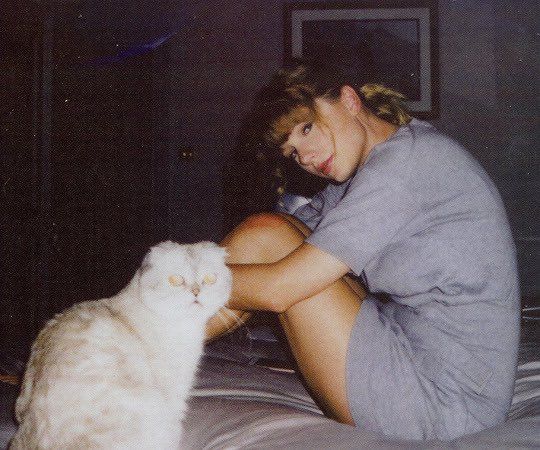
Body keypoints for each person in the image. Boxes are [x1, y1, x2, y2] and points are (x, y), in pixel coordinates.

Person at [205, 60, 521, 441]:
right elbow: (287, 227)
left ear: (349, 100)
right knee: (268, 232)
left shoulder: (407, 165)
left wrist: (173, 278)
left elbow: (278, 289)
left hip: (446, 406)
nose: (304, 157)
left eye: (306, 128)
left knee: (268, 239)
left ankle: (134, 339)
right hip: (412, 351)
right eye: (292, 152)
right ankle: (138, 342)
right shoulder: (375, 167)